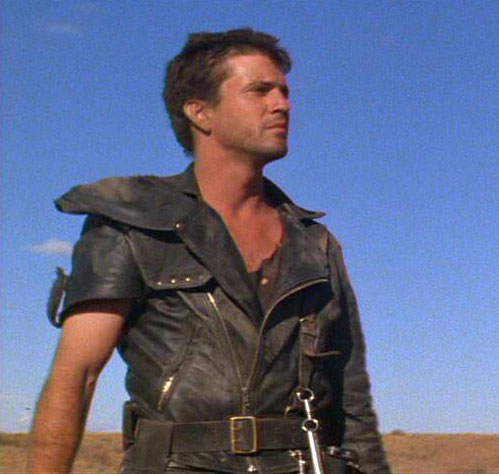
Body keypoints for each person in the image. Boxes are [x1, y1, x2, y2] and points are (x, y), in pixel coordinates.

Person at [28, 28, 391, 474]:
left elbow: (352, 401)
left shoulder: (314, 244)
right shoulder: (133, 222)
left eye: (284, 92)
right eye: (260, 91)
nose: (282, 105)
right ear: (200, 112)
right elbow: (76, 377)